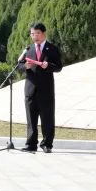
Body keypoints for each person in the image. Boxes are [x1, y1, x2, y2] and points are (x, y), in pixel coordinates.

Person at [20, 22, 61, 153]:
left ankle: (47, 144)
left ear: (43, 33)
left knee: (47, 118)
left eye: (37, 33)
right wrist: (24, 67)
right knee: (31, 119)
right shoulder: (28, 49)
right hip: (30, 90)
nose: (34, 36)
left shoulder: (52, 48)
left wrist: (48, 65)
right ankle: (31, 144)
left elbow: (59, 66)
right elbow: (18, 66)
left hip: (46, 90)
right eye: (32, 34)